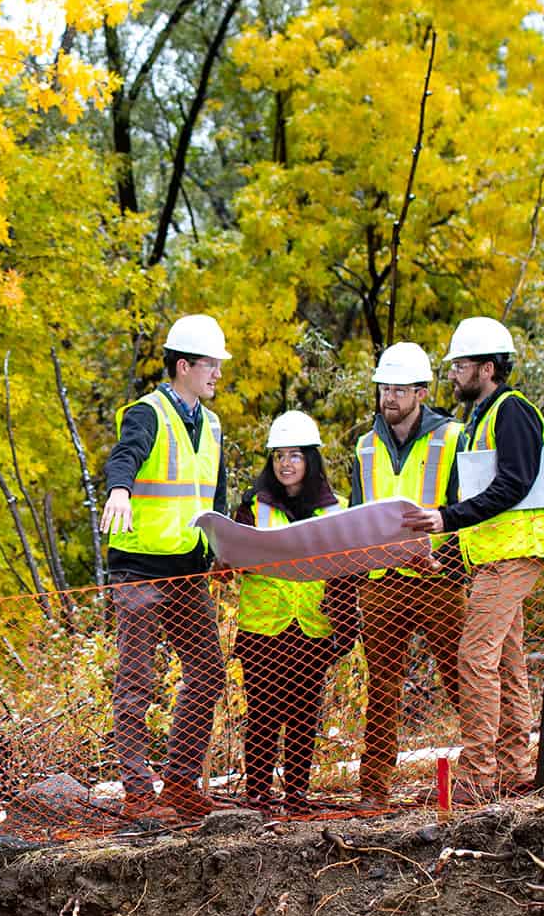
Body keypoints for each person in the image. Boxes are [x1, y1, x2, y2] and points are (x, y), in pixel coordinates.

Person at [399, 317, 544, 802]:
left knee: (474, 656)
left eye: (461, 365)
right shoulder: (478, 421)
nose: (453, 374)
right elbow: (479, 495)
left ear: (487, 368)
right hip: (492, 555)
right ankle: (511, 771)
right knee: (506, 664)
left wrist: (445, 520)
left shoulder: (512, 413)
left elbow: (511, 485)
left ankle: (477, 777)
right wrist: (444, 546)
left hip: (514, 553)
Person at [100, 314, 231, 817]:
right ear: (183, 366)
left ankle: (178, 783)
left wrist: (219, 549)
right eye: (209, 365)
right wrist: (120, 489)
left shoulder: (212, 424)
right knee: (137, 680)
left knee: (207, 671)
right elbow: (125, 456)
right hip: (140, 567)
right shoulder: (147, 412)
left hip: (188, 568)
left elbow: (212, 495)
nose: (217, 373)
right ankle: (137, 794)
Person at [348, 342, 468, 805]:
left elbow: (466, 510)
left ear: (421, 392)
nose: (389, 397)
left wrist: (449, 562)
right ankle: (373, 789)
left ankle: (487, 769)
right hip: (382, 583)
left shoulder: (453, 437)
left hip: (439, 579)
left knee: (460, 677)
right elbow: (359, 516)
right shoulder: (365, 446)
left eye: (399, 389)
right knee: (381, 687)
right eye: (384, 388)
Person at [231, 412, 352, 812]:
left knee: (303, 714)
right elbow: (233, 556)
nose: (286, 464)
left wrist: (345, 625)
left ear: (311, 460)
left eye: (295, 455)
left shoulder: (337, 511)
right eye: (279, 455)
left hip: (312, 627)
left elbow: (346, 574)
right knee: (263, 715)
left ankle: (297, 794)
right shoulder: (253, 507)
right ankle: (258, 796)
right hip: (264, 629)